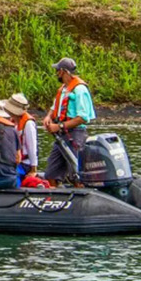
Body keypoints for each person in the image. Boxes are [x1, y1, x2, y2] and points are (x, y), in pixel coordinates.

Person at [42, 57, 95, 187]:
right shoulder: (63, 89)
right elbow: (54, 107)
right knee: (51, 173)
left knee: (76, 174)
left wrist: (59, 126)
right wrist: (48, 117)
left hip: (75, 135)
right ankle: (54, 197)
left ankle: (81, 195)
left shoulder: (79, 90)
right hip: (61, 135)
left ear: (63, 71)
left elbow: (83, 117)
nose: (56, 73)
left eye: (58, 70)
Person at [4, 92, 39, 183]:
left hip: (25, 163)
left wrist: (33, 168)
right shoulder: (14, 121)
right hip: (13, 161)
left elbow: (32, 147)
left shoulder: (28, 123)